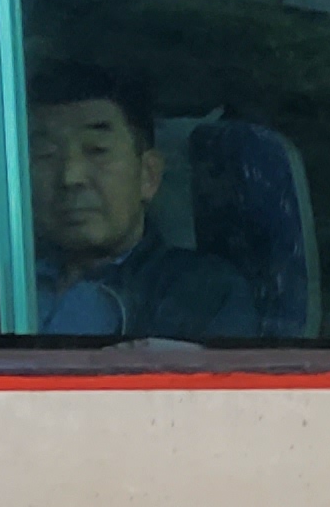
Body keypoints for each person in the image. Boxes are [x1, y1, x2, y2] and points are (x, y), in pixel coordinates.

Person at [28, 65, 257, 340]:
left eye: (97, 150)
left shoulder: (203, 295)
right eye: (46, 154)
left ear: (148, 175)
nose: (70, 177)